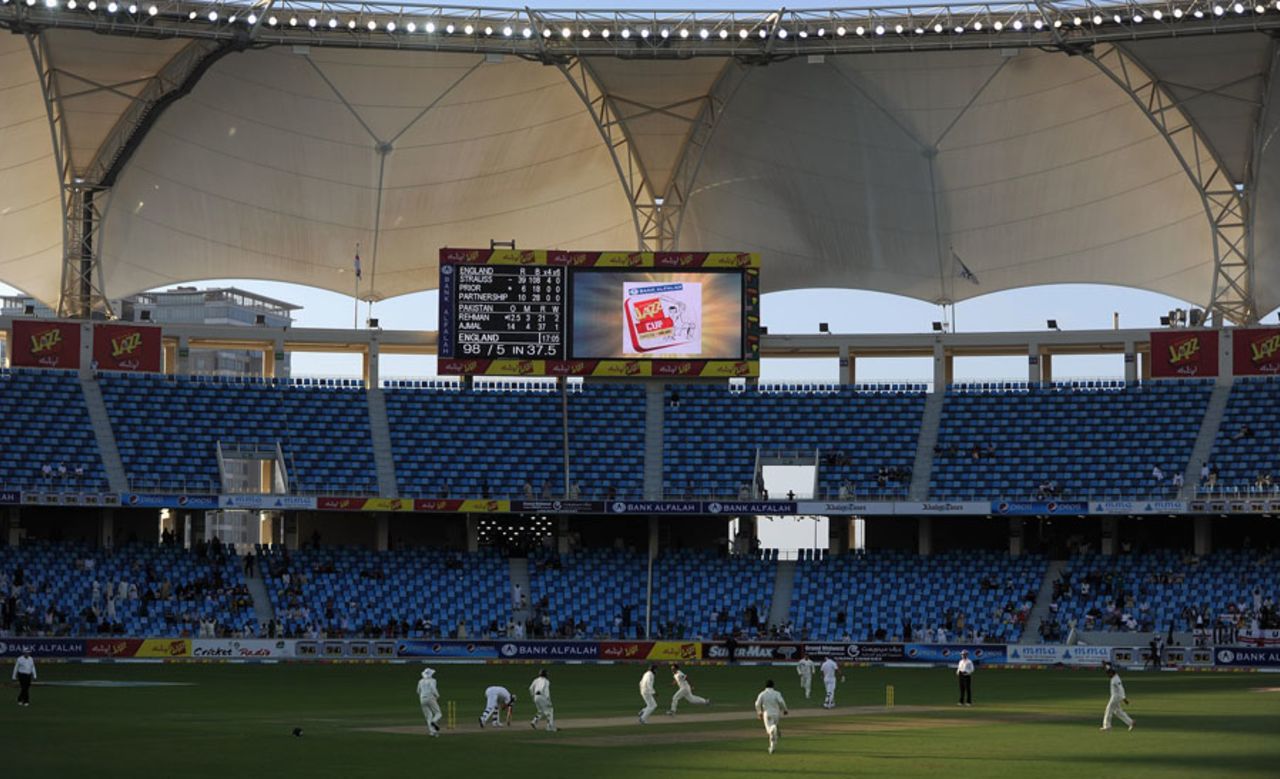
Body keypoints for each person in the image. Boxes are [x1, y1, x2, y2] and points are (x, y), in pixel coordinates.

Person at [754, 679, 789, 754]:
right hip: (776, 714)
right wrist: (785, 710)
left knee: (769, 730)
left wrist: (759, 712)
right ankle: (772, 747)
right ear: (773, 686)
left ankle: (773, 728)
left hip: (767, 713)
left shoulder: (762, 694)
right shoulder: (777, 693)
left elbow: (757, 703)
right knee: (774, 733)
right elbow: (781, 701)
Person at [1101, 667, 1135, 732]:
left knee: (1108, 710)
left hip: (1116, 697)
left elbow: (1121, 688)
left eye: (1108, 674)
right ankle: (1131, 722)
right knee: (1117, 712)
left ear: (1111, 673)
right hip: (1115, 696)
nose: (1108, 676)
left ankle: (1107, 726)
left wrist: (1124, 698)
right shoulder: (1114, 677)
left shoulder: (1116, 679)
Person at [417, 668, 441, 737]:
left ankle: (432, 732)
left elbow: (418, 691)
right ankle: (433, 721)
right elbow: (433, 688)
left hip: (422, 699)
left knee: (428, 716)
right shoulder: (433, 680)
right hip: (430, 698)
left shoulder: (420, 681)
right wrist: (437, 695)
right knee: (438, 713)